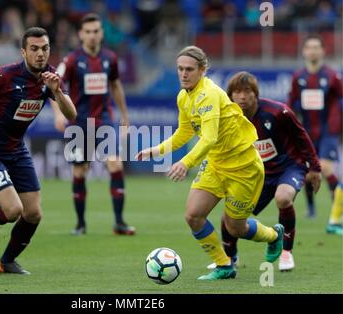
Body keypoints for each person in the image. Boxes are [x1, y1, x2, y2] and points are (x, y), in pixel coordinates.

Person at [136, 46, 284, 280]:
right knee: (193, 215)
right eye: (180, 69)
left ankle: (274, 236)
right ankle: (224, 265)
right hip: (216, 164)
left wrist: (185, 162)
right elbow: (184, 132)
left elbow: (209, 137)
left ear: (202, 70)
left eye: (189, 69)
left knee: (236, 227)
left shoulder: (210, 94)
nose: (184, 74)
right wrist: (157, 150)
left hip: (243, 168)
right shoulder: (183, 97)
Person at [0, 27, 76, 274]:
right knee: (13, 210)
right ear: (24, 51)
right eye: (34, 49)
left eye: (44, 48)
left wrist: (56, 91)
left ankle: (7, 261)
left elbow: (71, 114)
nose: (40, 54)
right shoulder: (5, 75)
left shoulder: (51, 77)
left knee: (33, 213)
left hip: (16, 149)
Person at [206, 71, 322, 272]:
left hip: (289, 166)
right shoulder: (228, 118)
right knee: (229, 217)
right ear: (230, 95)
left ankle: (286, 253)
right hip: (256, 174)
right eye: (237, 92)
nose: (242, 96)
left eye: (247, 91)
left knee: (283, 198)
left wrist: (315, 167)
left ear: (255, 94)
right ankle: (229, 258)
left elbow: (301, 136)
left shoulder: (278, 112)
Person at [53, 13, 134, 236]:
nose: (92, 35)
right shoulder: (71, 60)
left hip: (104, 121)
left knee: (115, 165)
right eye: (87, 32)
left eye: (96, 31)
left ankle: (119, 222)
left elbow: (116, 85)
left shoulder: (110, 57)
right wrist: (58, 114)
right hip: (78, 123)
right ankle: (80, 224)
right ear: (80, 34)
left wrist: (124, 115)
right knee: (80, 171)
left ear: (102, 33)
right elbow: (54, 85)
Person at [287, 35, 342, 221]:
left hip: (328, 132)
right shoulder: (298, 77)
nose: (312, 51)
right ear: (304, 52)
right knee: (310, 174)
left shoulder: (332, 76)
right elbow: (291, 102)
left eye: (316, 47)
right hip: (307, 133)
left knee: (325, 168)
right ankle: (311, 209)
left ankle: (337, 213)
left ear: (323, 51)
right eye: (309, 47)